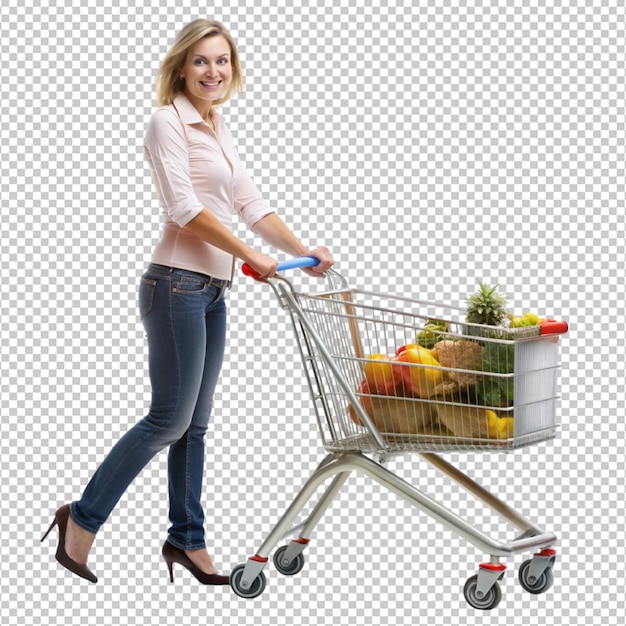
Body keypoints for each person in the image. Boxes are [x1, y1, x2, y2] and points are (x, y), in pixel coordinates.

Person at [42, 18, 334, 585]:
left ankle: (186, 540)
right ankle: (80, 518)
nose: (213, 71)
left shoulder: (216, 126)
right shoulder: (166, 122)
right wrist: (253, 255)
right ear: (180, 66)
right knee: (167, 421)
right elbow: (184, 210)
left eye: (222, 61)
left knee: (194, 426)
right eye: (201, 61)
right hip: (174, 284)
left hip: (211, 292)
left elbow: (249, 203)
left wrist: (302, 250)